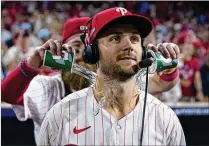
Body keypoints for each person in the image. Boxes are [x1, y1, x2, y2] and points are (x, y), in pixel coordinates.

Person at [38, 7, 185, 145]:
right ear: (92, 53)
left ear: (144, 52)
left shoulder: (165, 119)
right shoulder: (60, 116)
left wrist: (170, 67)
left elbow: (165, 82)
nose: (129, 45)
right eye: (115, 38)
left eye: (134, 39)